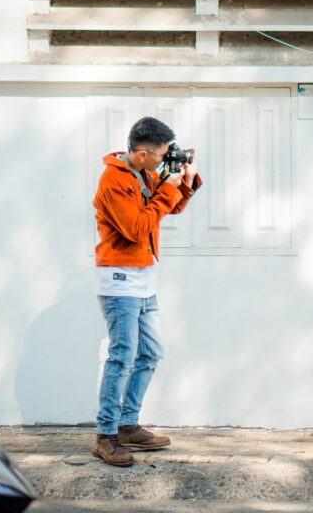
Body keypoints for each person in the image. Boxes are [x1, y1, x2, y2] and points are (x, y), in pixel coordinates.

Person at [91, 117, 202, 467]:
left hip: (144, 277)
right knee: (123, 355)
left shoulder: (143, 173)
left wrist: (184, 181)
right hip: (120, 279)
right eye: (161, 156)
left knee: (150, 353)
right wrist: (168, 186)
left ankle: (127, 424)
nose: (163, 161)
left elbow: (168, 207)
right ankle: (105, 435)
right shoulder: (112, 182)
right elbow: (138, 229)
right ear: (141, 154)